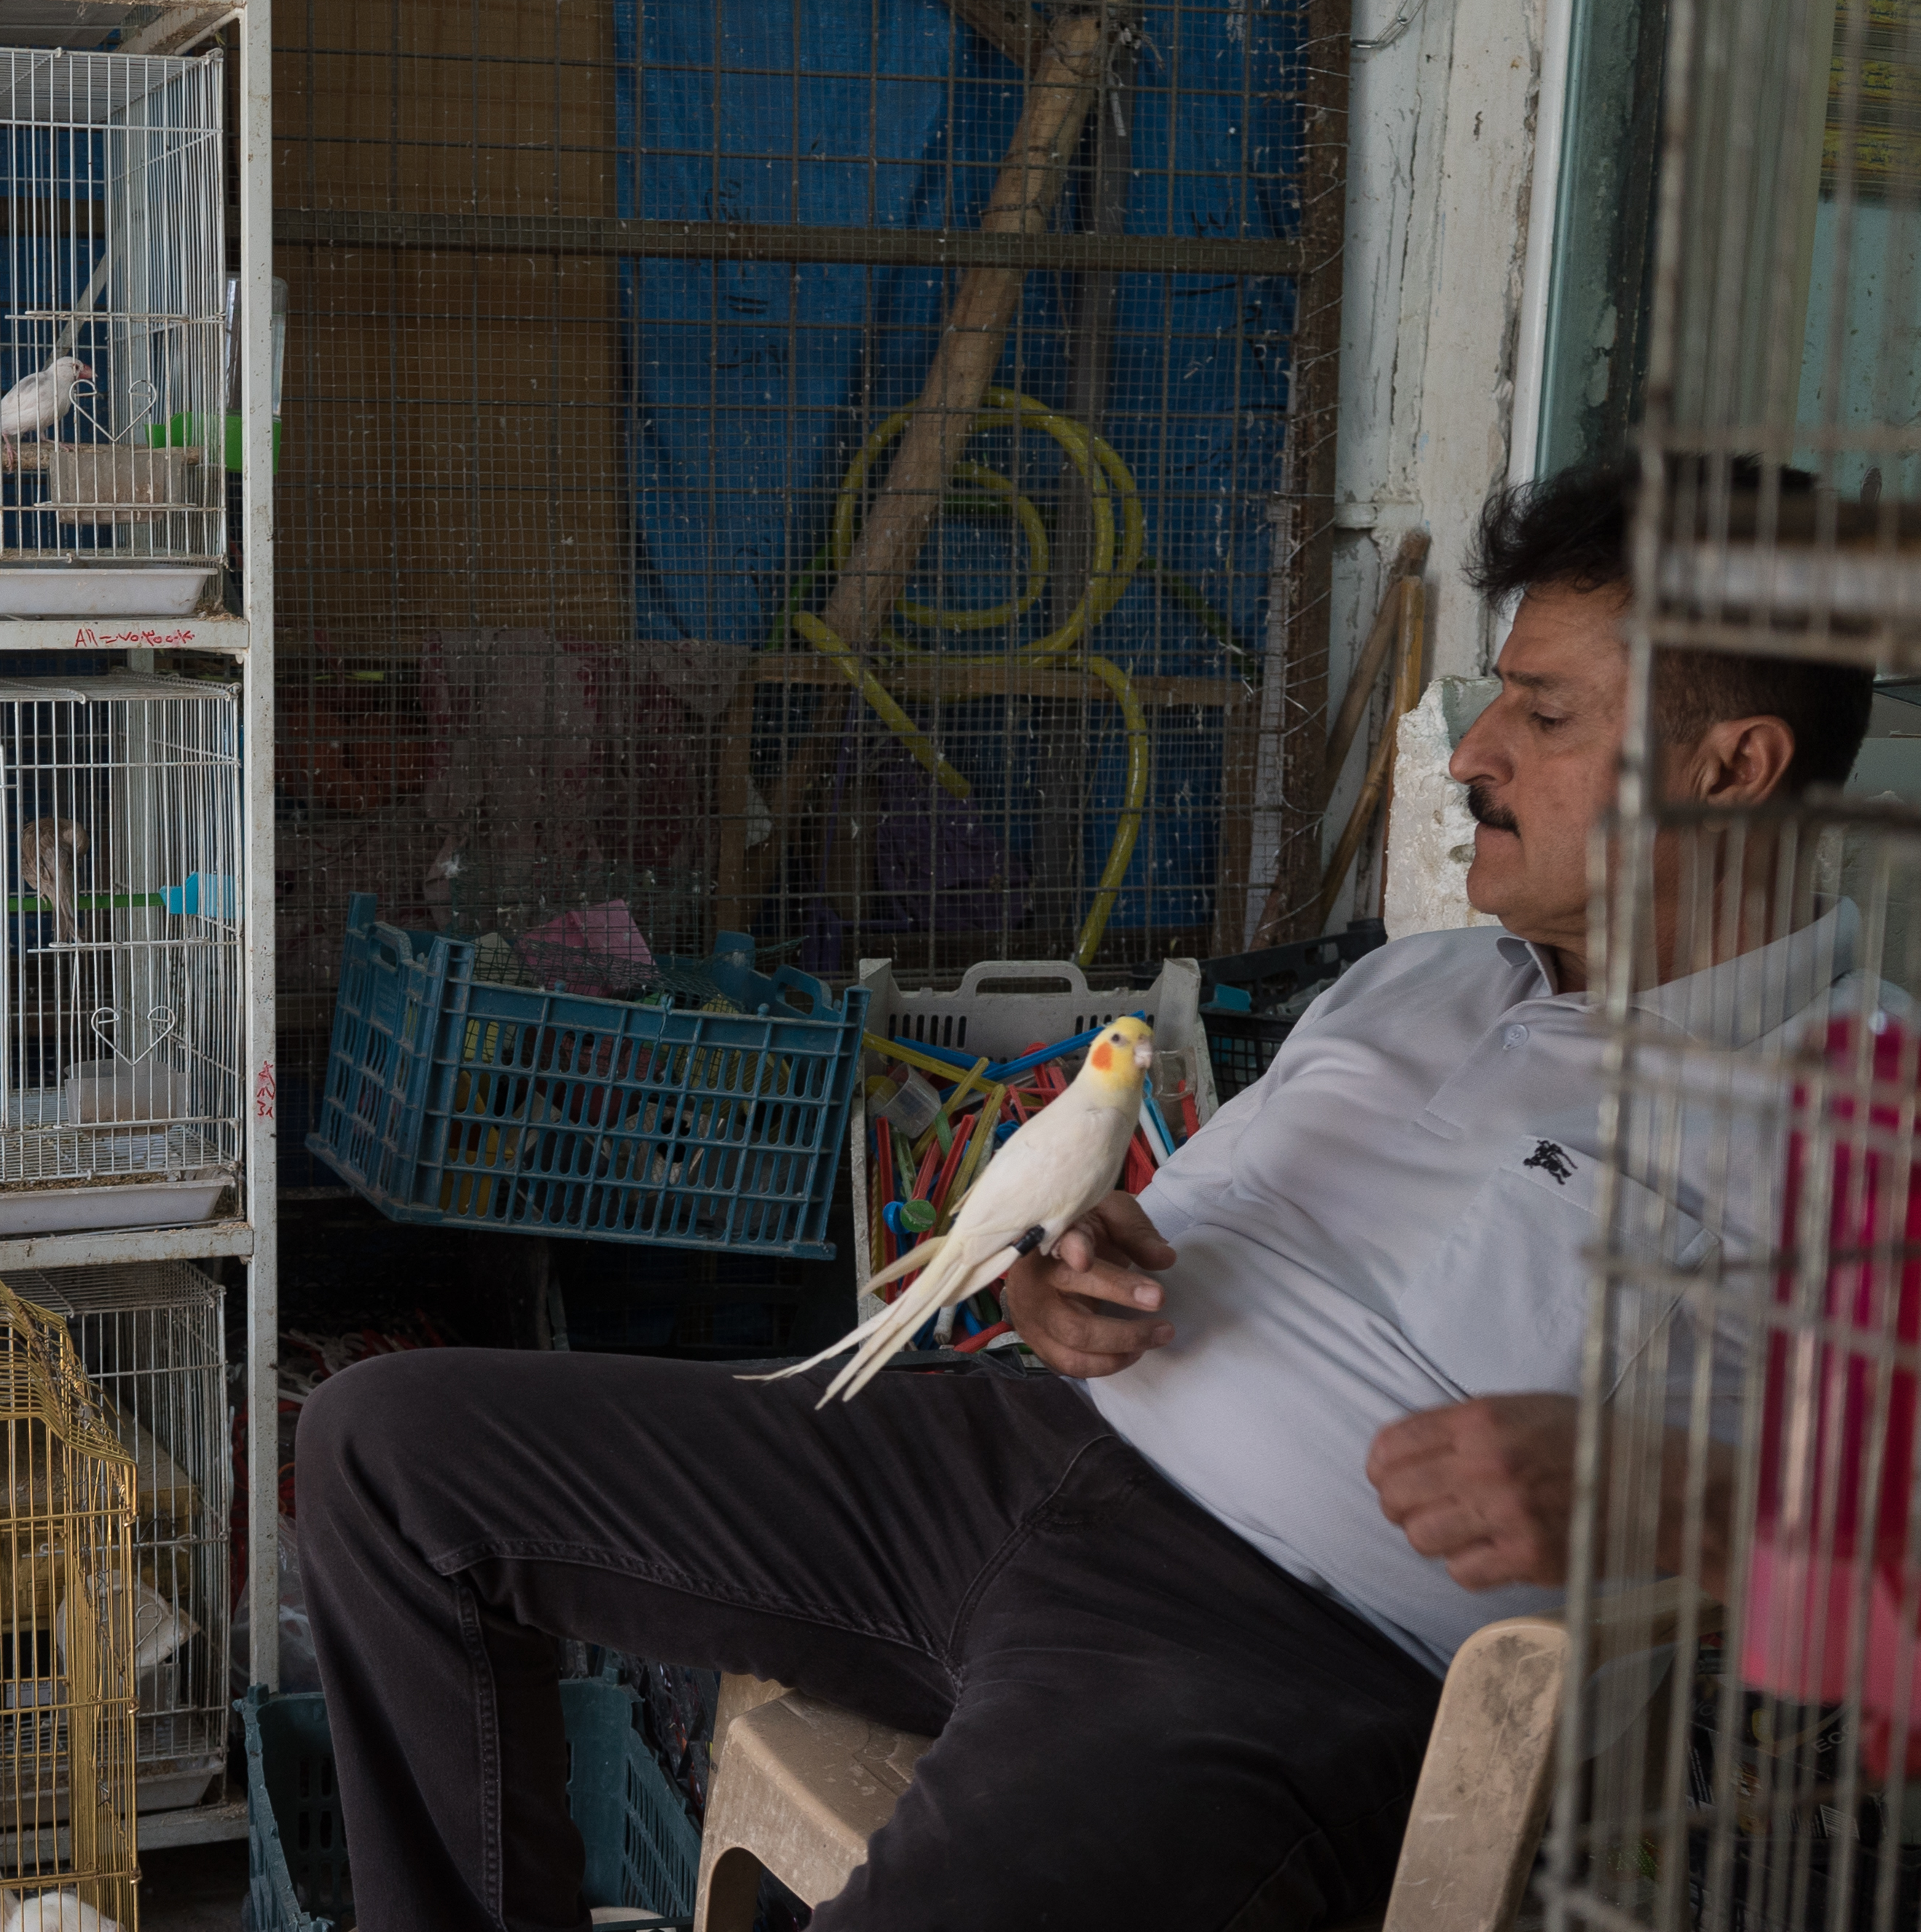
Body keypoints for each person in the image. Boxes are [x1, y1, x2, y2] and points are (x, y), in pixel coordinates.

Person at [293, 461, 1877, 1931]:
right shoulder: (1422, 984)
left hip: (1268, 1646)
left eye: (1538, 714)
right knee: (389, 1457)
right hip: (994, 1453)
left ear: (1725, 769)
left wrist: (1662, 1492)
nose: (1470, 755)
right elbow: (1149, 1250)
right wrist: (1060, 1283)